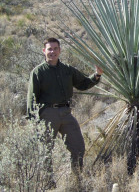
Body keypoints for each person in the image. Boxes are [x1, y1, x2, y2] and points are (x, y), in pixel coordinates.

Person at [27, 37, 103, 185]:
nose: (52, 52)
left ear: (60, 50)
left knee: (78, 146)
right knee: (45, 150)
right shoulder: (38, 72)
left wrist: (97, 75)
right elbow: (31, 97)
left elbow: (83, 84)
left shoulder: (67, 70)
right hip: (47, 114)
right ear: (44, 51)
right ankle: (47, 184)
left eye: (55, 49)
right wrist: (33, 119)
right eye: (49, 49)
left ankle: (77, 180)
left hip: (66, 113)